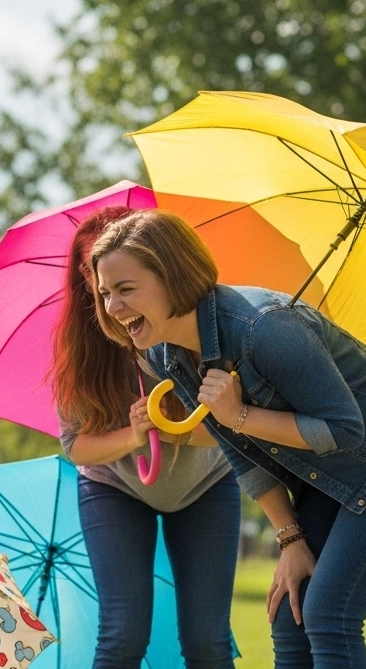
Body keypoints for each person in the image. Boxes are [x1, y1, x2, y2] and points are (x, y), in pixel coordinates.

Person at [90, 210, 366, 669]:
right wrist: (290, 539)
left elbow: (344, 428)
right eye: (104, 293)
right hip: (328, 470)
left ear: (172, 277)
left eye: (125, 289)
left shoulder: (266, 327)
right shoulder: (168, 354)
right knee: (290, 613)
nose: (112, 308)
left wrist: (239, 414)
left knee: (328, 613)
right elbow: (241, 455)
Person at [52, 206, 239, 669]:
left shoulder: (197, 330)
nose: (114, 301)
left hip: (206, 483)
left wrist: (180, 428)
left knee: (207, 640)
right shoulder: (81, 353)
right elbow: (75, 445)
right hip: (114, 487)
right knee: (122, 632)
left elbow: (238, 427)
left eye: (126, 284)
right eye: (99, 284)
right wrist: (135, 436)